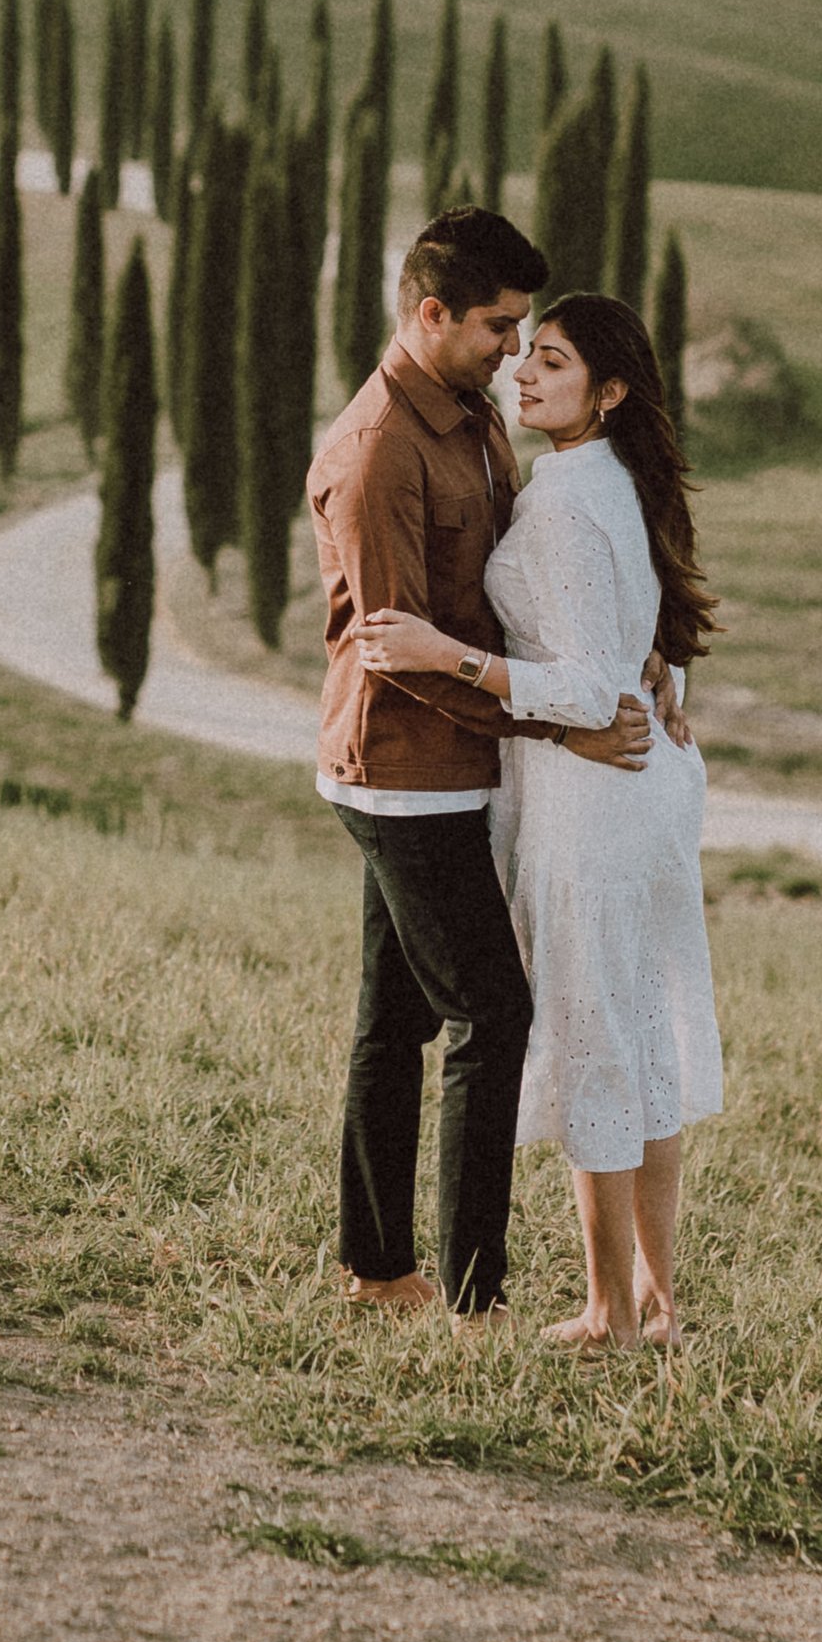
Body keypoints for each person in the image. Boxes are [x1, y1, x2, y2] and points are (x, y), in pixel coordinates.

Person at [308, 209, 656, 1322]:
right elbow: (397, 654)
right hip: (403, 772)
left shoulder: (466, 416)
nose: (514, 350)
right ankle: (473, 1296)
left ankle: (378, 1270)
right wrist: (563, 727)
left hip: (462, 764)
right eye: (499, 327)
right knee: (490, 1013)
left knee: (393, 1017)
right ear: (430, 315)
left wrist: (639, 659)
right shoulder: (375, 452)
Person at [357, 288, 720, 1349]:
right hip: (644, 799)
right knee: (638, 1037)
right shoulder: (616, 479)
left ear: (605, 393)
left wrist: (446, 655)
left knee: (594, 1038)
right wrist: (666, 669)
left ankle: (608, 1312)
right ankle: (658, 1302)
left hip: (594, 805)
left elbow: (585, 685)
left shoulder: (565, 498)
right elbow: (645, 632)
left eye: (552, 362)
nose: (524, 372)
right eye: (527, 355)